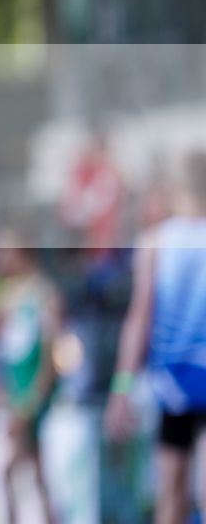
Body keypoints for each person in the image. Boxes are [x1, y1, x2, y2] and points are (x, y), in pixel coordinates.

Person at [108, 150, 206, 524]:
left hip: (173, 383)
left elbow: (139, 320)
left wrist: (121, 387)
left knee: (171, 488)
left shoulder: (156, 242)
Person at [0, 228, 61, 523]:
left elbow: (48, 355)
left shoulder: (43, 294)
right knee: (30, 472)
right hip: (16, 393)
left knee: (15, 471)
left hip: (31, 396)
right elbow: (4, 353)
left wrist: (32, 398)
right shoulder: (3, 295)